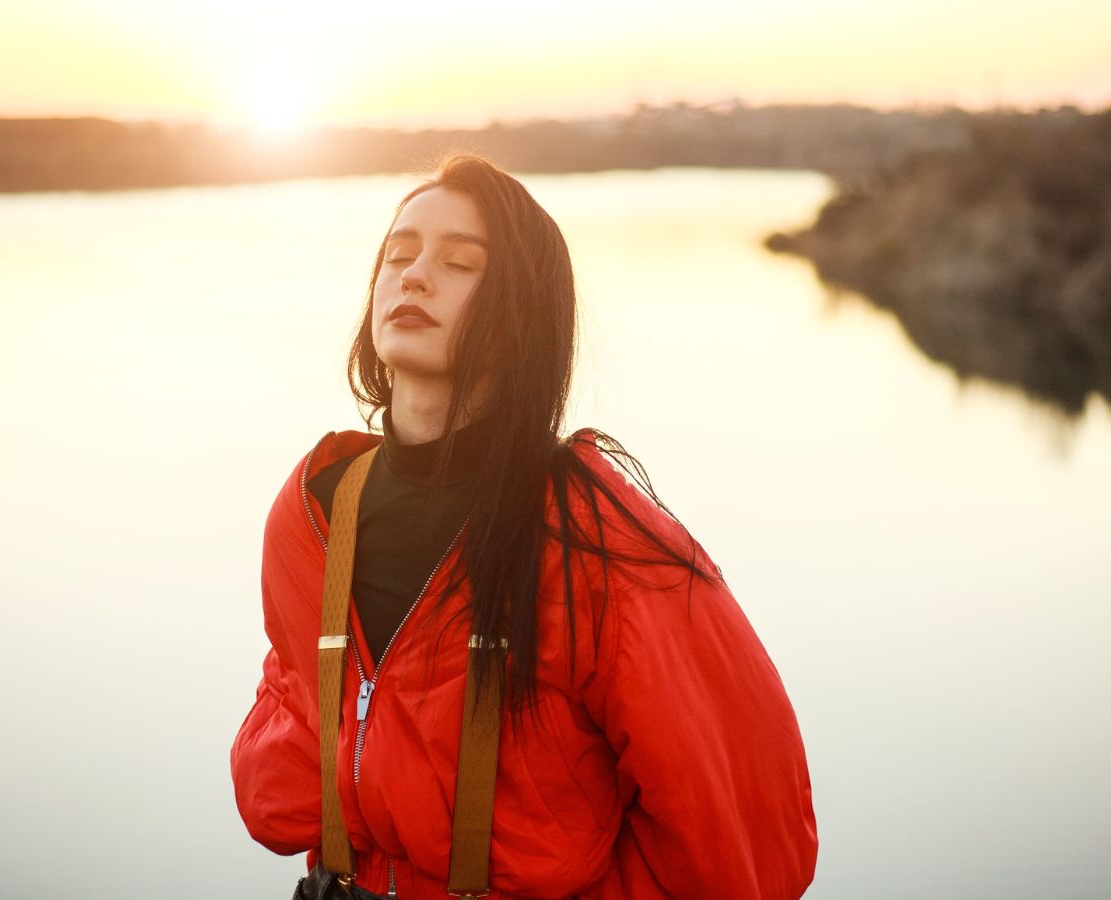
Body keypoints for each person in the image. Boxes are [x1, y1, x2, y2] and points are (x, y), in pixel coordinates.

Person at [230, 154, 817, 899]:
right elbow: (296, 728)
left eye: (460, 262)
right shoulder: (315, 510)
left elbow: (743, 838)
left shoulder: (600, 536)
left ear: (521, 311)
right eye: (397, 255)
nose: (412, 277)